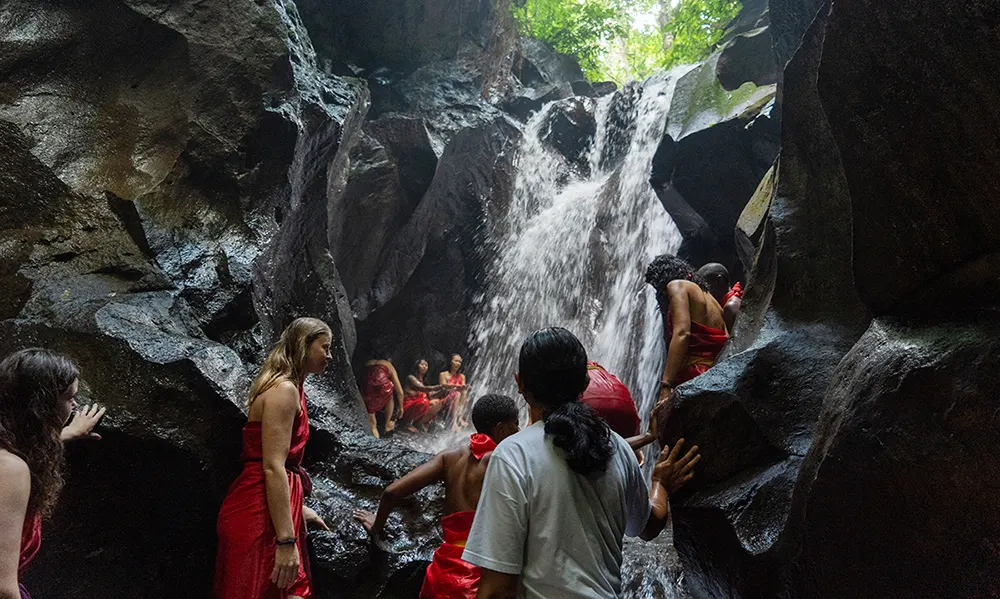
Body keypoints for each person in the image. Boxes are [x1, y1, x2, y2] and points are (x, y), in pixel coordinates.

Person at [462, 327, 701, 599]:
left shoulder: (512, 456)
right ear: (586, 382)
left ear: (520, 383)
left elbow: (496, 590)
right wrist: (660, 483)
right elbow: (648, 526)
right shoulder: (619, 449)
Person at [353, 394, 520, 599]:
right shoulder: (498, 461)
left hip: (443, 570)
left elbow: (391, 492)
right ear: (502, 428)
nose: (519, 431)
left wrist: (376, 526)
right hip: (477, 574)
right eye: (516, 425)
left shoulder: (448, 457)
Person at [214, 318, 333, 599]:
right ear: (305, 346)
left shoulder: (294, 389)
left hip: (273, 507)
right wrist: (286, 540)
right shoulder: (284, 391)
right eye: (325, 347)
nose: (329, 356)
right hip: (256, 510)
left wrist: (298, 509)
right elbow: (271, 467)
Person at [0, 349, 92, 599]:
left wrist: (67, 434)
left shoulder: (9, 451)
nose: (74, 406)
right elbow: (2, 588)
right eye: (68, 397)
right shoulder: (10, 470)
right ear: (41, 405)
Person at [647, 255, 729, 403]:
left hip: (694, 374)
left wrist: (666, 384)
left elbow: (682, 333)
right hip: (715, 372)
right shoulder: (711, 299)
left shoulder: (677, 286)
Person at [360, 359, 404, 438]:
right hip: (383, 388)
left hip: (368, 388)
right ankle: (387, 424)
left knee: (372, 423)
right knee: (390, 391)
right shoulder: (388, 365)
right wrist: (401, 408)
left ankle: (375, 430)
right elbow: (400, 392)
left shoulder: (368, 362)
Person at [401, 359, 448, 432]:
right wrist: (441, 386)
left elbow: (431, 395)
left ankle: (421, 422)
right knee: (424, 401)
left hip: (417, 406)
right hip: (407, 408)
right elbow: (423, 388)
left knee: (438, 402)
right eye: (422, 364)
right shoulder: (411, 378)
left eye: (426, 365)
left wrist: (445, 390)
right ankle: (408, 423)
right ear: (417, 365)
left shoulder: (424, 380)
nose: (424, 367)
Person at [696, 262, 742, 333]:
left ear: (719, 280)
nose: (704, 292)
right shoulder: (730, 303)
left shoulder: (730, 307)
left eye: (705, 286)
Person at [439, 354, 470, 432]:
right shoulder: (443, 374)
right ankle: (454, 422)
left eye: (459, 362)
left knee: (464, 392)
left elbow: (462, 386)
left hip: (458, 399)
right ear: (450, 362)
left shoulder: (462, 376)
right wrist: (455, 386)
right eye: (456, 361)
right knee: (457, 394)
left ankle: (460, 417)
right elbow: (442, 387)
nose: (458, 363)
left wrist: (465, 386)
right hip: (446, 399)